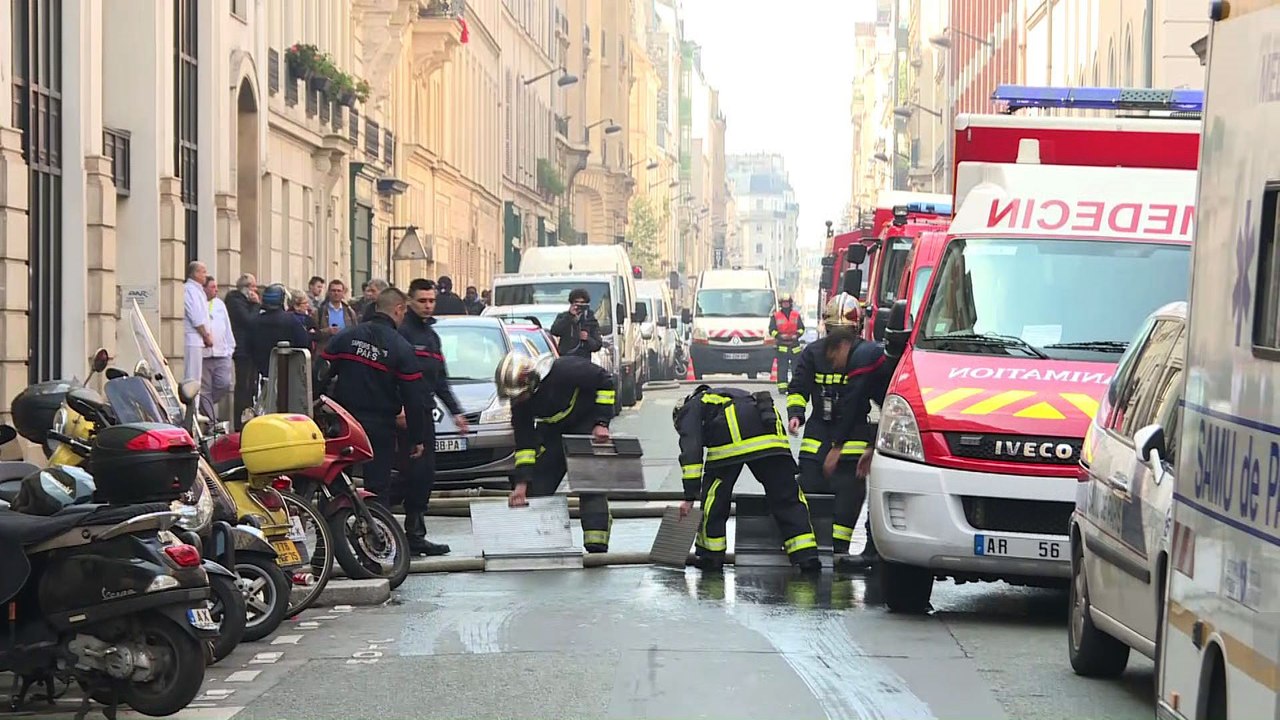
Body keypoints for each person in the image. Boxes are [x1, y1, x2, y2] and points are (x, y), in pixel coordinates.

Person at [674, 384, 821, 573]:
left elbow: (691, 450)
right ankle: (806, 555)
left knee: (714, 496)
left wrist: (689, 496)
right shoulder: (728, 395)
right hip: (771, 435)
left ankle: (712, 556)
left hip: (732, 438)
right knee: (787, 495)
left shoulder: (691, 407)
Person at [786, 292, 880, 571]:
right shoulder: (813, 353)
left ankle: (839, 550)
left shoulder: (863, 356)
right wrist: (795, 415)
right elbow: (798, 388)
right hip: (818, 431)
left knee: (848, 494)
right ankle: (812, 546)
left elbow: (870, 404)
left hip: (851, 435)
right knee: (809, 485)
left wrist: (870, 444)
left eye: (845, 334)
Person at [495, 352, 616, 552]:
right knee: (537, 484)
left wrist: (601, 423)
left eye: (520, 395)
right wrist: (521, 484)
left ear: (532, 382)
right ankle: (542, 541)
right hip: (554, 433)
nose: (518, 400)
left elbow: (605, 381)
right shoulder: (520, 402)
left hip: (584, 426)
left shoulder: (565, 370)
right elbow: (524, 442)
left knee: (590, 485)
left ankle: (597, 542)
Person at [320, 288, 429, 506]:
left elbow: (319, 374)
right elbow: (414, 398)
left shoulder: (346, 336)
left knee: (336, 483)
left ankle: (331, 535)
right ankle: (378, 534)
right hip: (380, 427)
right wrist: (417, 437)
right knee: (378, 487)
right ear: (398, 310)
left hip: (344, 423)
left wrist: (319, 410)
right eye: (404, 313)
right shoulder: (401, 348)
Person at [397, 278, 468, 556]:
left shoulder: (431, 336)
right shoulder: (403, 333)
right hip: (403, 414)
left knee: (424, 475)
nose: (428, 306)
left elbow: (440, 380)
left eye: (431, 301)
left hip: (424, 412)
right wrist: (398, 408)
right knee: (406, 475)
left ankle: (415, 533)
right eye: (422, 301)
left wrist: (456, 412)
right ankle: (390, 534)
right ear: (409, 302)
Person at [247, 284, 312, 381]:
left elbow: (248, 345)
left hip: (262, 371)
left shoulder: (255, 320)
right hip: (287, 371)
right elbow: (303, 342)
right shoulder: (291, 320)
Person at [225, 274, 260, 429]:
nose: (256, 290)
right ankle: (240, 422)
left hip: (250, 348)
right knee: (243, 386)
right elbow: (249, 321)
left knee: (250, 387)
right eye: (253, 286)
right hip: (242, 348)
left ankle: (248, 418)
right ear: (246, 288)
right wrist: (256, 305)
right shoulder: (235, 301)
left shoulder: (244, 301)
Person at [200, 275, 236, 421]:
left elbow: (226, 327)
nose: (216, 290)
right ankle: (211, 420)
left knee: (224, 384)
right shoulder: (198, 303)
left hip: (222, 353)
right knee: (205, 390)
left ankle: (203, 408)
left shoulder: (220, 304)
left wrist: (230, 349)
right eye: (212, 287)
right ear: (204, 288)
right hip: (204, 355)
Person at [549, 288, 603, 359]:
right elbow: (554, 331)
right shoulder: (563, 317)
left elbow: (597, 345)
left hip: (583, 360)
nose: (579, 306)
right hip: (566, 359)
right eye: (576, 303)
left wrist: (587, 338)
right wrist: (570, 316)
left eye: (582, 303)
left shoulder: (590, 319)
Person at [182, 261, 213, 382]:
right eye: (203, 272)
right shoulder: (189, 290)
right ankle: (191, 401)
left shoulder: (198, 290)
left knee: (197, 377)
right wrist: (206, 335)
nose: (206, 275)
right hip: (192, 339)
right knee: (192, 377)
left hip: (197, 339)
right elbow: (195, 316)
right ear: (195, 273)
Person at [769, 293, 805, 394]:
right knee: (782, 368)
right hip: (782, 346)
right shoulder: (776, 316)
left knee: (796, 368)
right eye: (784, 303)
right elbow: (771, 330)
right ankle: (782, 387)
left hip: (794, 346)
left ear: (790, 303)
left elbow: (801, 328)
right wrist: (780, 336)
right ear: (781, 304)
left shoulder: (796, 315)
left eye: (787, 302)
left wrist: (797, 335)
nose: (786, 304)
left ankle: (795, 386)